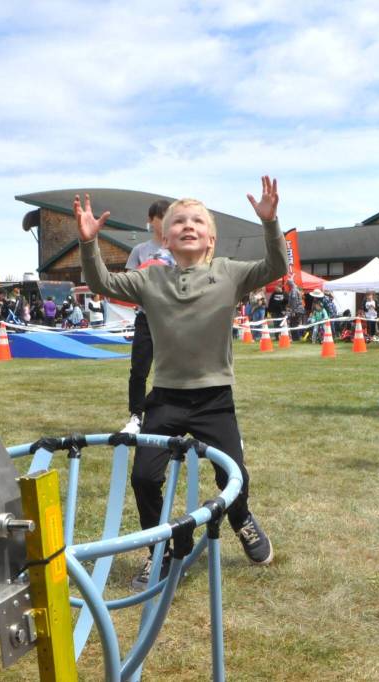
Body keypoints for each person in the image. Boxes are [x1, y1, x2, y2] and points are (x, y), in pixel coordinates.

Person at [74, 176, 287, 590]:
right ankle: (160, 549)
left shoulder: (229, 273)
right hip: (167, 400)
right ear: (164, 239)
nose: (188, 226)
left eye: (197, 221)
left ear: (211, 238)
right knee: (144, 478)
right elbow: (101, 283)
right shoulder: (150, 279)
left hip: (214, 399)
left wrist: (270, 223)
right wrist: (88, 243)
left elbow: (277, 267)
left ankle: (241, 517)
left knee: (234, 476)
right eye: (178, 222)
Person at [121, 199, 174, 433]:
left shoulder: (179, 248)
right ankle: (136, 416)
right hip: (145, 318)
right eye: (162, 217)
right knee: (139, 369)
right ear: (151, 220)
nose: (167, 222)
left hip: (173, 319)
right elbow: (130, 285)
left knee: (175, 368)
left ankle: (171, 414)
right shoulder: (139, 251)